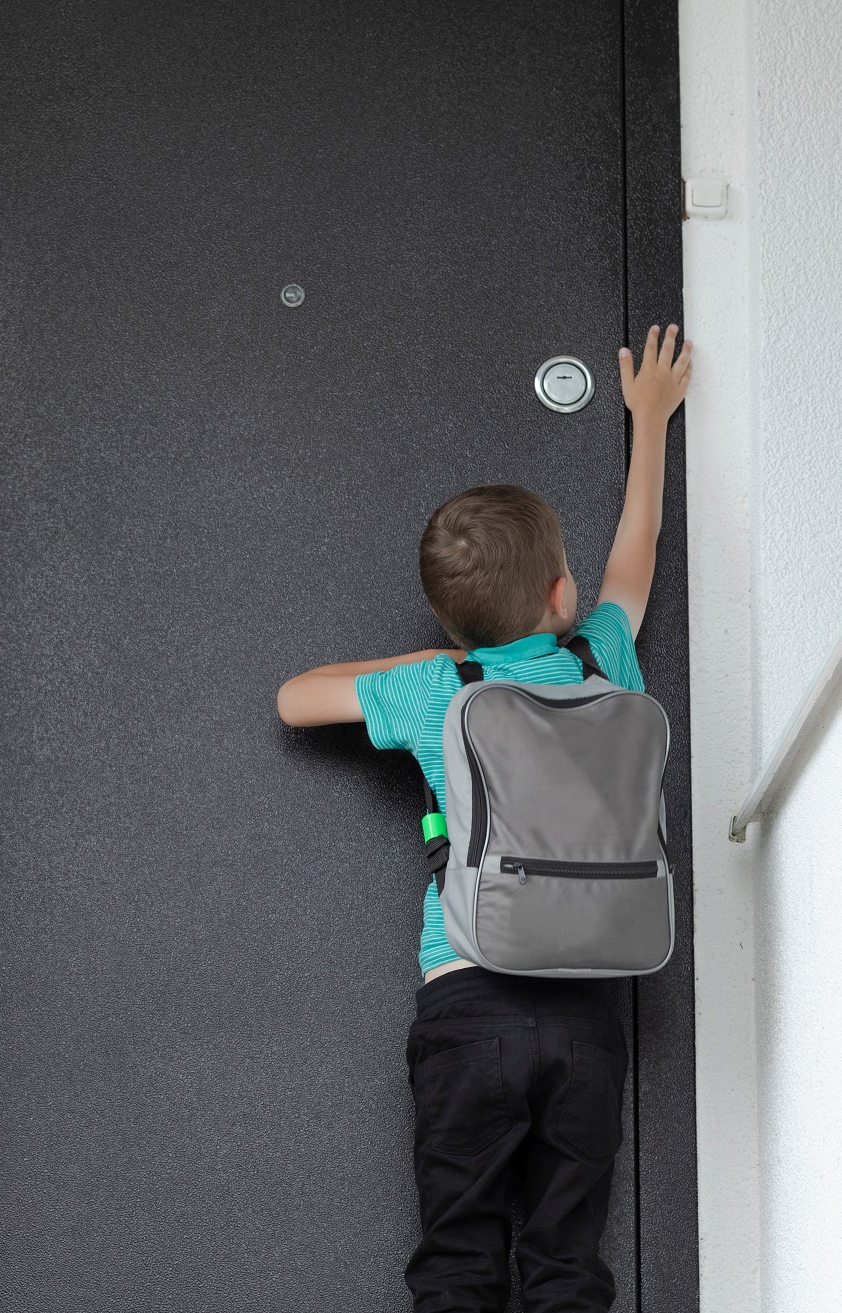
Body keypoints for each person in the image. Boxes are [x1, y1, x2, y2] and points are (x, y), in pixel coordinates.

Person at [276, 324, 693, 1313]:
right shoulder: (599, 656)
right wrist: (651, 422)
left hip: (469, 997)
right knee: (566, 1262)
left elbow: (295, 696)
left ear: (447, 619)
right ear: (561, 591)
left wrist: (434, 664)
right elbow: (633, 564)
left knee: (459, 1253)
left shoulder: (433, 687)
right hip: (591, 1002)